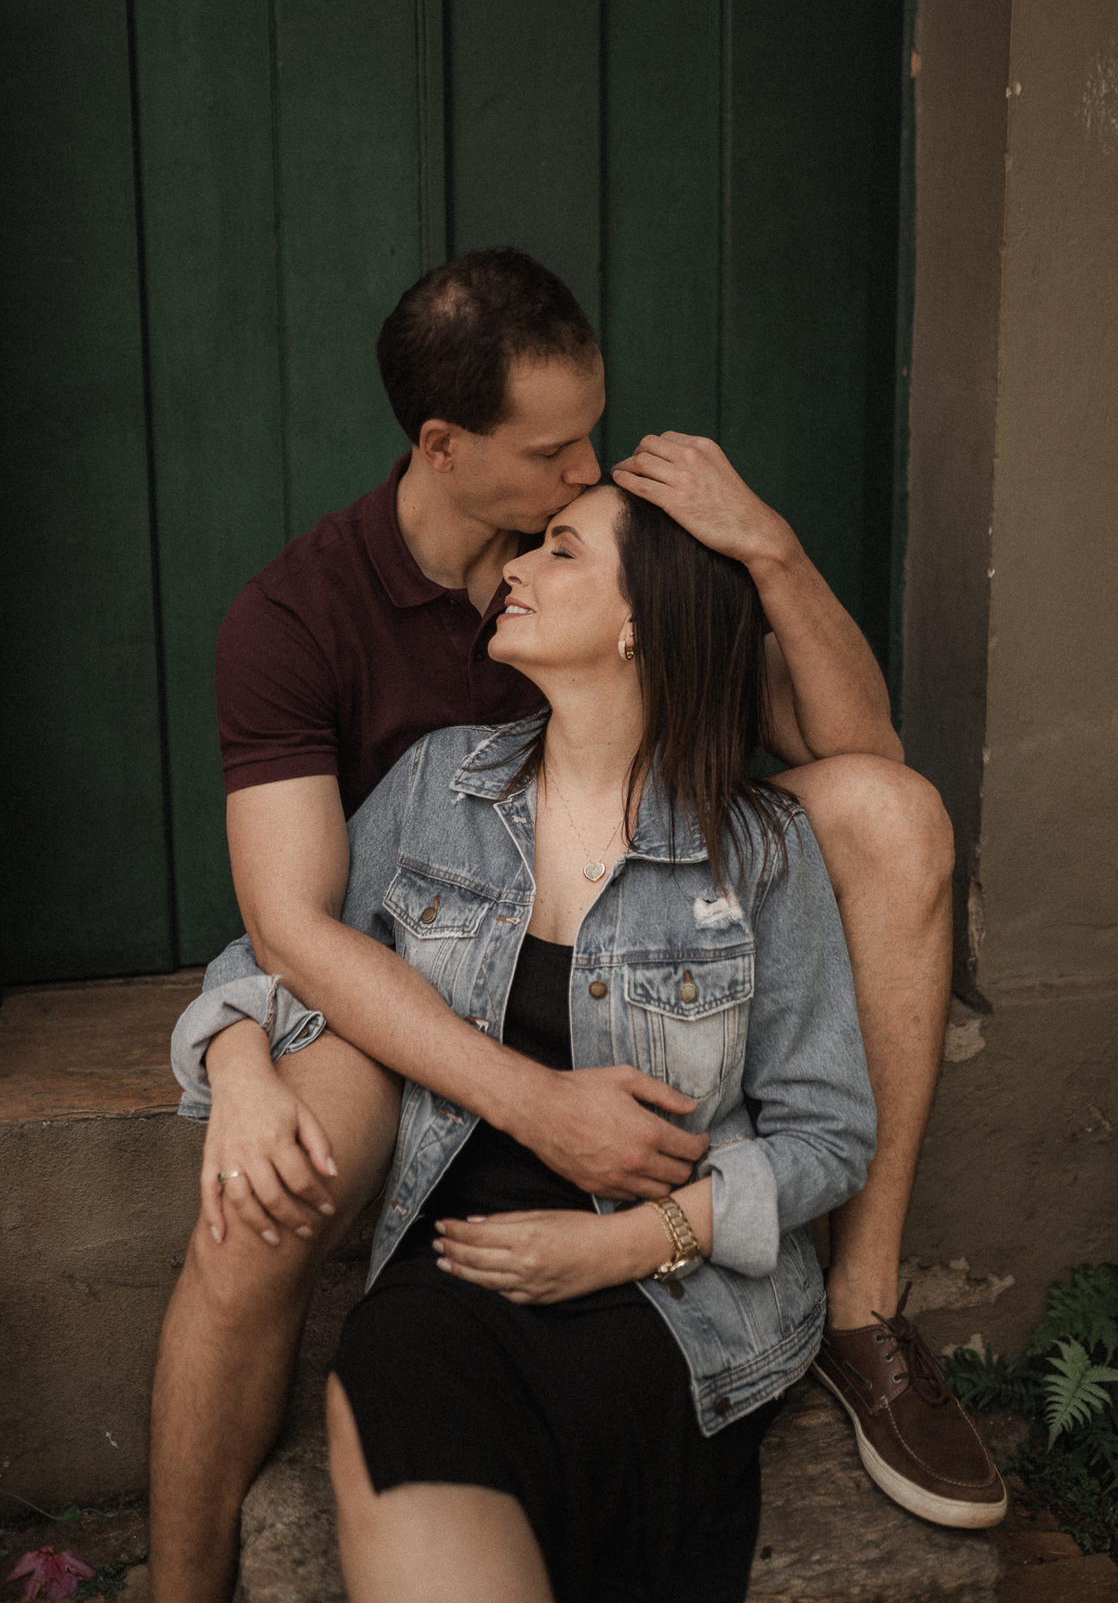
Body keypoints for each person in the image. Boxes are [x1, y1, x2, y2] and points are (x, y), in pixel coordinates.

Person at [152, 248, 999, 1603]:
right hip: (409, 981)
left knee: (895, 814)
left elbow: (858, 748)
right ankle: (179, 1584)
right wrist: (245, 1059)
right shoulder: (307, 627)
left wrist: (767, 546)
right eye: (553, 454)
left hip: (655, 904)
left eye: (590, 438)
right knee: (262, 1205)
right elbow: (292, 929)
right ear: (443, 446)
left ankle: (862, 1305)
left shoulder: (621, 550)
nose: (587, 468)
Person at [187, 476, 880, 1603]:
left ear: (639, 622)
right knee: (387, 1382)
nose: (512, 567)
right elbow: (277, 949)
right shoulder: (438, 785)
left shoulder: (761, 848)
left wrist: (626, 1246)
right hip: (455, 1273)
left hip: (675, 1303)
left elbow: (830, 1136)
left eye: (560, 550)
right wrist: (239, 1067)